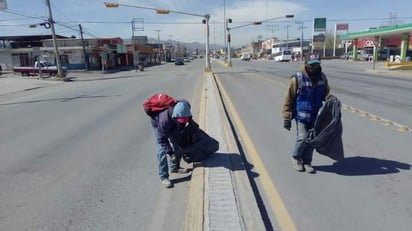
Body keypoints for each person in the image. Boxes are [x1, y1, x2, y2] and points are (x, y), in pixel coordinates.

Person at [282, 58, 331, 174]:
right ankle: (296, 157)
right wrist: (286, 117)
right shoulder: (297, 78)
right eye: (311, 65)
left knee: (312, 139)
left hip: (315, 116)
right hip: (301, 115)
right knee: (303, 137)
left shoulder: (322, 78)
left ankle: (307, 161)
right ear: (306, 64)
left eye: (316, 65)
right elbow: (288, 99)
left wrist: (329, 97)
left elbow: (325, 93)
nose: (313, 68)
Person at [151, 100, 192, 188]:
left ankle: (174, 167)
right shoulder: (164, 120)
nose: (183, 122)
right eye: (181, 120)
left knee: (177, 143)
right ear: (175, 116)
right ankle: (164, 176)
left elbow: (188, 122)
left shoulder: (186, 107)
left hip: (173, 124)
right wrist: (170, 153)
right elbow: (162, 139)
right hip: (158, 125)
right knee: (161, 151)